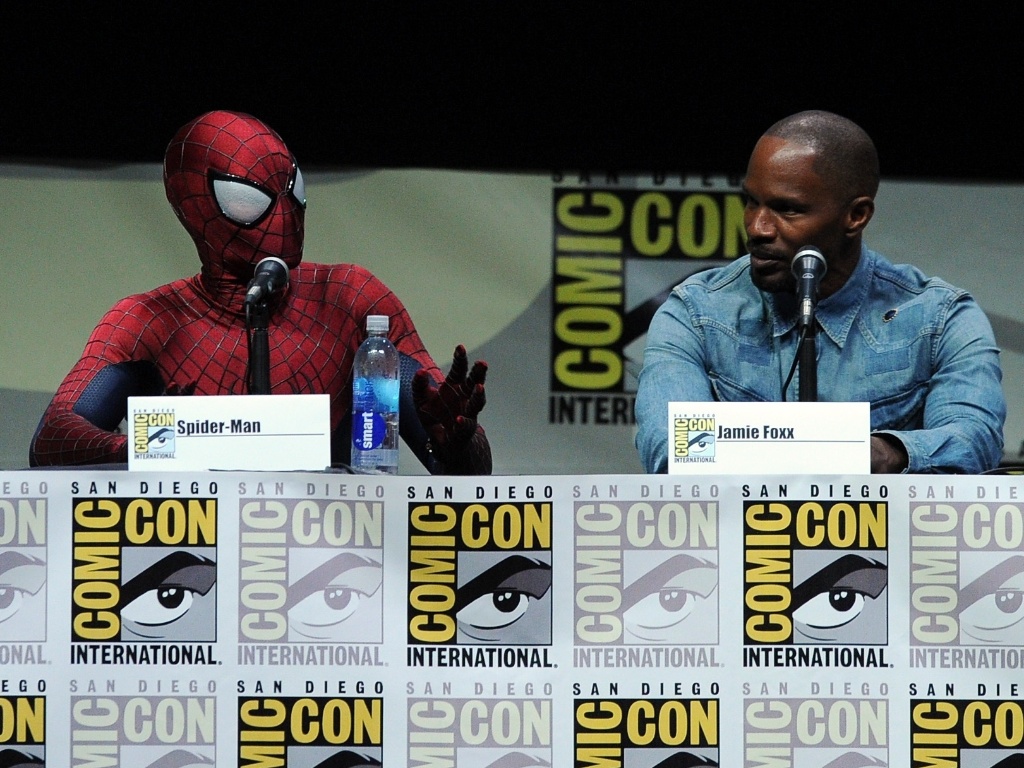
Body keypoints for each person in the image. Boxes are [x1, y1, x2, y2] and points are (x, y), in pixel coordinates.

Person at [29, 110, 491, 474]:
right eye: (252, 200)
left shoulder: (351, 300)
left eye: (293, 191)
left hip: (335, 546)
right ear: (193, 206)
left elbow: (464, 463)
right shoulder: (151, 320)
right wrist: (156, 449)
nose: (285, 216)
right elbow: (52, 437)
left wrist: (457, 441)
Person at [635, 110, 1006, 475]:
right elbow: (670, 449)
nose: (757, 227)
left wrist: (885, 453)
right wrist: (824, 453)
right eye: (751, 201)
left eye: (788, 209)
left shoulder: (940, 318)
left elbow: (973, 440)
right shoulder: (695, 311)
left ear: (856, 216)